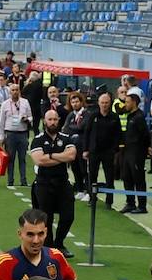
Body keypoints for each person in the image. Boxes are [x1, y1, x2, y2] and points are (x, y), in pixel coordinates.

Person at [30, 110, 77, 255]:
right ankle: (49, 248)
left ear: (59, 120)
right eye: (50, 119)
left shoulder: (66, 137)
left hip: (62, 182)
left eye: (55, 119)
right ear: (44, 121)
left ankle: (59, 243)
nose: (52, 122)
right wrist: (60, 157)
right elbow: (39, 160)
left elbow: (71, 156)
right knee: (46, 218)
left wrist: (50, 155)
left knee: (68, 216)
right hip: (44, 183)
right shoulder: (38, 139)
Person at [85, 89, 122, 208]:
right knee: (92, 176)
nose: (104, 105)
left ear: (110, 103)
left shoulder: (114, 117)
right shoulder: (93, 116)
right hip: (94, 151)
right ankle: (92, 198)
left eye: (106, 102)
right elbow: (87, 133)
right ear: (99, 103)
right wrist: (86, 149)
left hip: (108, 152)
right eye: (102, 102)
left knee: (109, 177)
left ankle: (109, 201)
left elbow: (118, 134)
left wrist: (115, 149)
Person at [118, 87, 149, 214]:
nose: (126, 104)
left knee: (138, 178)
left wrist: (145, 149)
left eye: (127, 102)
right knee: (127, 177)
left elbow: (145, 135)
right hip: (127, 151)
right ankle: (130, 203)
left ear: (134, 102)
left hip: (137, 153)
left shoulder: (139, 117)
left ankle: (142, 206)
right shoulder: (130, 115)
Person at [0, 81, 32, 187]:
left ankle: (23, 180)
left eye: (17, 90)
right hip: (10, 134)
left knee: (22, 158)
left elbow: (31, 117)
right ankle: (10, 180)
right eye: (13, 90)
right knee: (10, 159)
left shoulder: (25, 102)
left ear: (19, 91)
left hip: (22, 133)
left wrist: (27, 119)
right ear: (10, 92)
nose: (15, 92)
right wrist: (1, 137)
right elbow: (1, 122)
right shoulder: (5, 104)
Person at [61, 91, 89, 200]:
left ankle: (88, 191)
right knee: (75, 168)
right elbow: (65, 128)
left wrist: (72, 127)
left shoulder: (86, 114)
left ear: (81, 102)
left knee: (84, 169)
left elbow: (82, 127)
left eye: (77, 101)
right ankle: (80, 189)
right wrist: (73, 127)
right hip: (72, 147)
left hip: (83, 146)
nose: (75, 104)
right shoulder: (71, 115)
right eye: (73, 102)